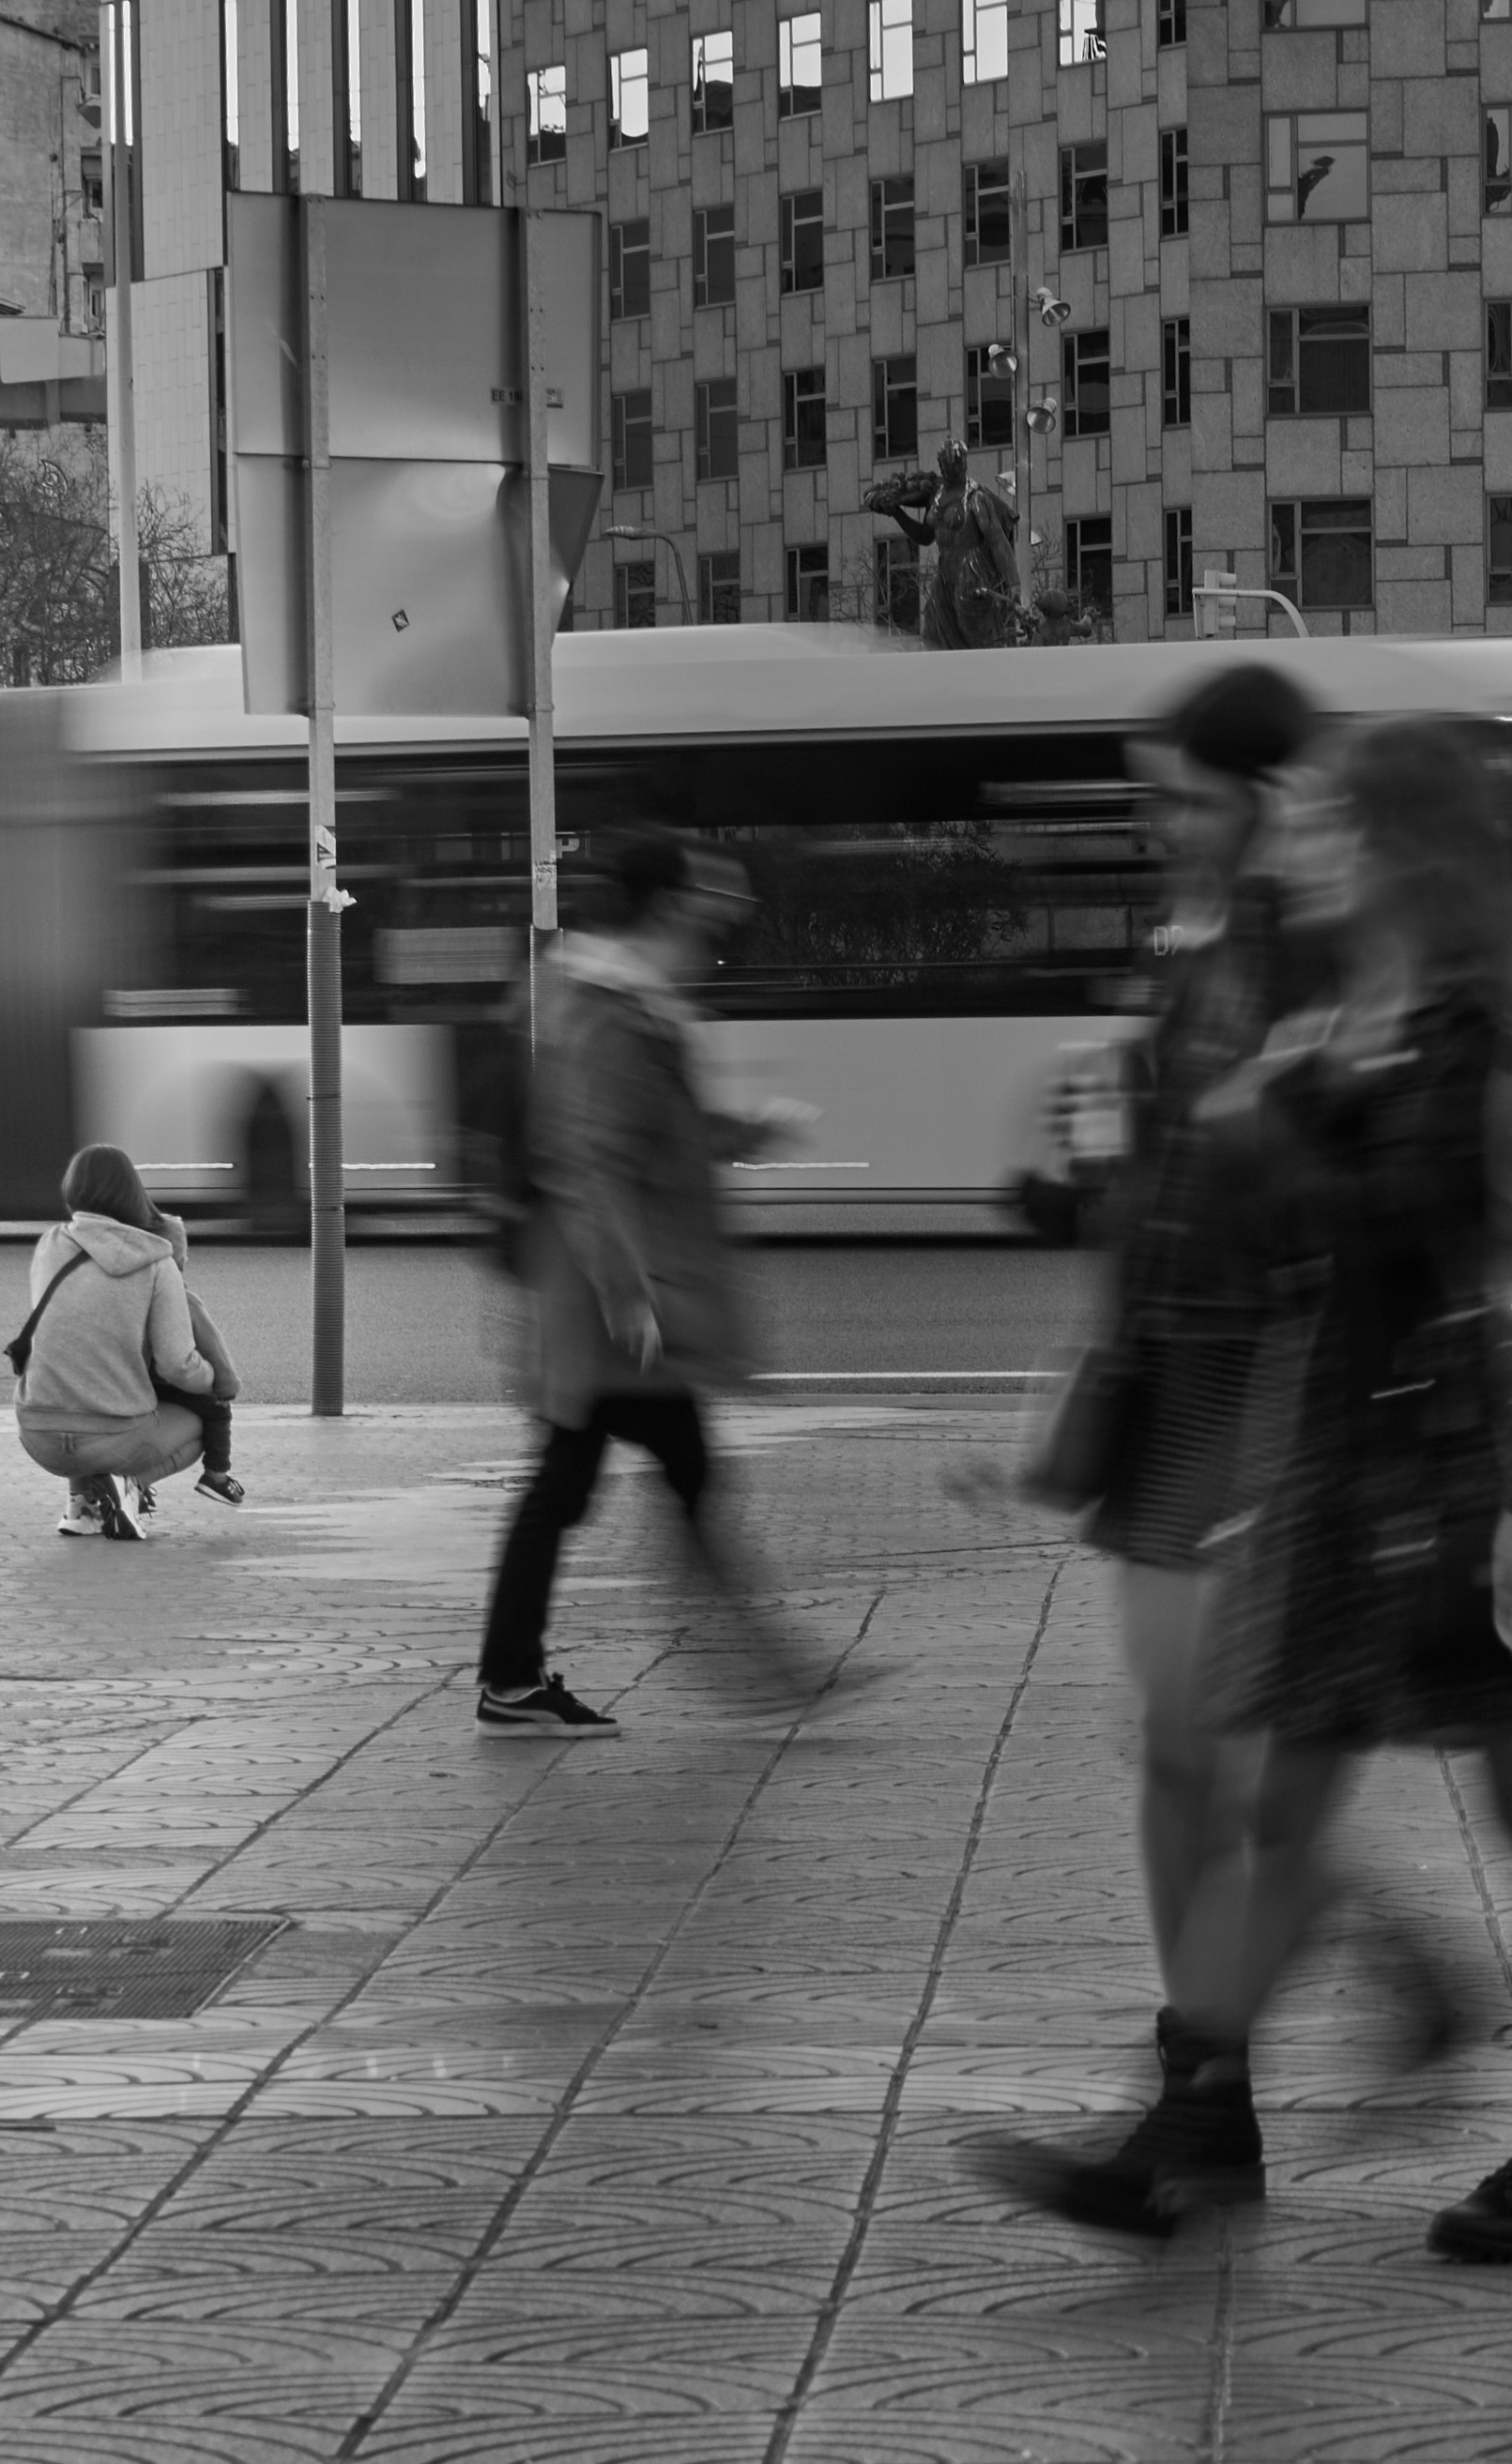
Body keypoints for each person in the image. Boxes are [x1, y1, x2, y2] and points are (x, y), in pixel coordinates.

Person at [986, 717, 1512, 2264]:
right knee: (1283, 1798)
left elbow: (1424, 1235)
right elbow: (1286, 1244)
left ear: (1403, 843)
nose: (1312, 842)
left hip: (1480, 1462)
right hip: (1354, 1456)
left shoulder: (1472, 1020)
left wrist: (1269, 1125)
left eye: (1340, 821)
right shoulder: (1356, 1002)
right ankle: (1193, 2119)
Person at [1027, 663, 1324, 2211]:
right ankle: (1208, 2092)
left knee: (1234, 1765)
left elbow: (1328, 1193)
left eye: (1195, 801)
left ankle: (1209, 2086)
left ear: (1271, 799)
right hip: (1171, 1390)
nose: (1170, 829)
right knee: (1173, 1759)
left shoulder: (1316, 952)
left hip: (1261, 1389)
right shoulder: (1203, 951)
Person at [473, 829, 804, 1736]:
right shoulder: (613, 1012)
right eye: (706, 911)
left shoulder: (625, 1003)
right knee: (653, 1478)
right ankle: (756, 1670)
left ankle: (519, 1676)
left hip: (610, 1305)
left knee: (600, 1483)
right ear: (666, 907)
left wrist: (739, 1135)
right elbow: (592, 1159)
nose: (716, 931)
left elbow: (649, 1135)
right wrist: (627, 1290)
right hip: (610, 1311)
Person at [15, 1144, 226, 1540]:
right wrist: (213, 1379)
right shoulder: (156, 1261)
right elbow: (176, 1364)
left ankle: (82, 1508)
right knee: (199, 1422)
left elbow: (68, 1334)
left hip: (36, 1431)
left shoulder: (50, 1245)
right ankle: (132, 1485)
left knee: (75, 1376)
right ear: (134, 1193)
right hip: (111, 1440)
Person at [130, 1205, 245, 1514]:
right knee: (217, 1412)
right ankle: (216, 1476)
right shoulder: (185, 1299)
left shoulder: (127, 1293)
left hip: (133, 1386)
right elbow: (214, 1350)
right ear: (180, 1259)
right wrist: (226, 1385)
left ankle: (124, 1487)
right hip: (173, 1384)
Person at [872, 442, 1024, 647]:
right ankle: (944, 677)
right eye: (947, 466)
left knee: (975, 634)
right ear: (941, 467)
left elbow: (997, 540)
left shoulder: (975, 497)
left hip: (972, 573)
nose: (953, 470)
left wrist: (1013, 582)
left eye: (957, 465)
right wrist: (897, 513)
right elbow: (925, 537)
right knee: (934, 634)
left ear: (964, 465)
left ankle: (989, 674)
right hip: (945, 575)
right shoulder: (936, 497)